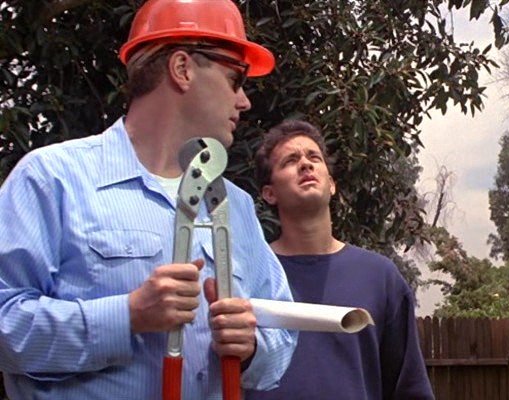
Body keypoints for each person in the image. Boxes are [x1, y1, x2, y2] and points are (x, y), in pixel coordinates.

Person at [0, 0, 297, 398]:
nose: (244, 101)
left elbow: (281, 338)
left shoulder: (234, 205)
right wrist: (127, 316)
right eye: (235, 79)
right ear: (182, 68)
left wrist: (252, 348)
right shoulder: (53, 179)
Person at [245, 120, 434, 399]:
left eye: (314, 157)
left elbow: (409, 388)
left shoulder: (379, 277)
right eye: (290, 161)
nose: (305, 165)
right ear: (269, 193)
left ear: (332, 185)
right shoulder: (249, 275)